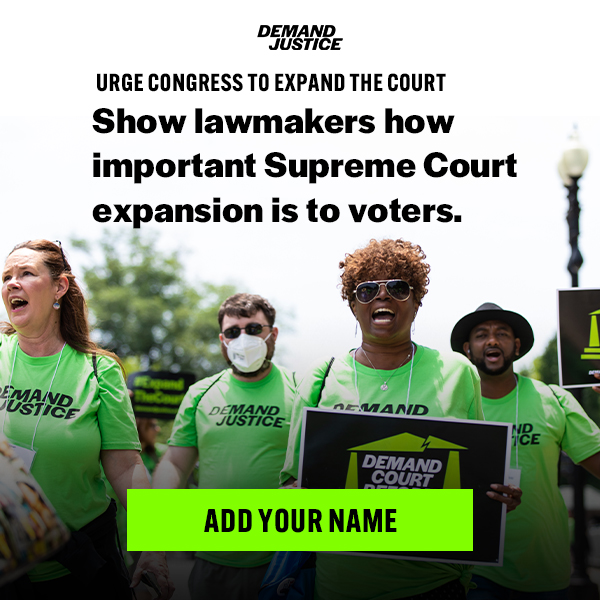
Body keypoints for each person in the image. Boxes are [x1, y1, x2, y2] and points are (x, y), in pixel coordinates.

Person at [280, 239, 521, 600]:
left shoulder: (456, 373)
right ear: (353, 305)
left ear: (416, 300)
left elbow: (481, 473)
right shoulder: (320, 378)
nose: (382, 297)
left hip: (435, 586)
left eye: (397, 287)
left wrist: (500, 497)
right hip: (340, 587)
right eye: (366, 290)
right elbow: (287, 489)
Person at [0, 240, 173, 599]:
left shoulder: (99, 369)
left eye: (26, 274)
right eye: (6, 277)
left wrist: (155, 547)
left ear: (59, 287)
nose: (11, 284)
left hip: (80, 568)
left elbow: (127, 468)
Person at [451, 302, 600, 599]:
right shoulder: (449, 408)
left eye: (502, 334)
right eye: (481, 335)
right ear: (468, 349)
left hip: (544, 574)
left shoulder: (555, 400)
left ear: (516, 346)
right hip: (473, 572)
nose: (492, 340)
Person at [153, 293, 296, 600]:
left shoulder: (301, 390)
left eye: (254, 329)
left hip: (282, 560)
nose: (244, 338)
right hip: (211, 560)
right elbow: (175, 464)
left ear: (273, 334)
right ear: (223, 340)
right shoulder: (200, 393)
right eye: (233, 332)